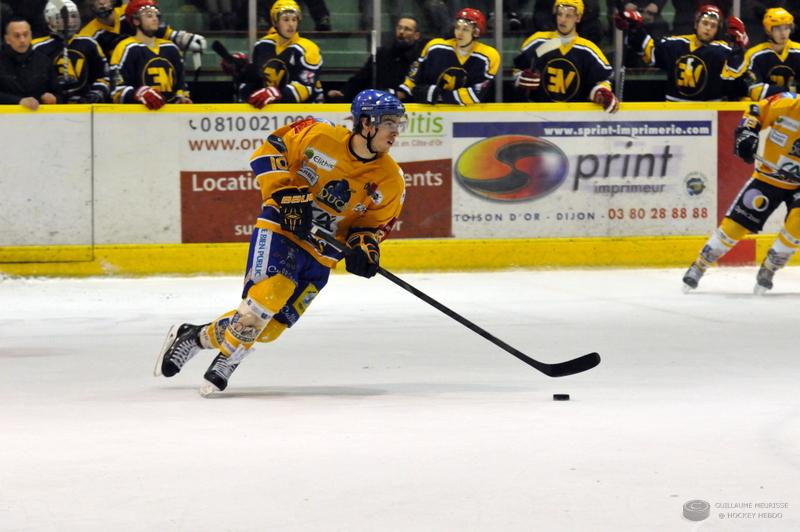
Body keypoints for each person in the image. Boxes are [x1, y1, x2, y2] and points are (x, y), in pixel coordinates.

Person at [155, 89, 407, 395]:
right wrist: (284, 194)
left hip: (321, 254)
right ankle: (229, 359)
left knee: (271, 328)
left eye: (399, 122)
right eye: (389, 122)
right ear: (366, 123)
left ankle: (194, 337)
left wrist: (363, 250)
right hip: (281, 230)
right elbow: (269, 150)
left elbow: (372, 226)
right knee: (272, 292)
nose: (396, 131)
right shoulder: (318, 134)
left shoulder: (391, 179)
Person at [682, 93, 800, 294]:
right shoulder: (786, 104)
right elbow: (755, 112)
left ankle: (772, 264)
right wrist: (747, 133)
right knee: (735, 226)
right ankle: (701, 263)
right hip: (768, 178)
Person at [615, 3, 749, 101]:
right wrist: (635, 28)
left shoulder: (723, 51)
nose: (708, 29)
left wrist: (739, 48)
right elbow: (649, 52)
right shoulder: (675, 44)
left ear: (717, 30)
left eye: (713, 26)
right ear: (696, 24)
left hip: (710, 114)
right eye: (705, 23)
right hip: (675, 112)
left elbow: (734, 78)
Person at [514, 0, 618, 112]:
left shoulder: (588, 50)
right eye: (559, 14)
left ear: (578, 18)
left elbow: (602, 81)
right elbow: (518, 71)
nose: (562, 20)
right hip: (538, 113)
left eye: (568, 16)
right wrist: (521, 79)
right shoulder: (538, 41)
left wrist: (601, 92)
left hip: (575, 117)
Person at [399, 8, 500, 105]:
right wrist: (402, 92)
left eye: (465, 29)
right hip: (431, 112)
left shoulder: (488, 56)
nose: (459, 33)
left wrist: (437, 95)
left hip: (468, 114)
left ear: (476, 32)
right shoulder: (435, 47)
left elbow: (476, 94)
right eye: (457, 28)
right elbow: (414, 79)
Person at [239, 0, 322, 108]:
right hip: (271, 110)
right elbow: (254, 81)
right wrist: (241, 70)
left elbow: (305, 87)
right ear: (275, 22)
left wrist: (276, 93)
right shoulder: (262, 45)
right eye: (286, 20)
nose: (291, 24)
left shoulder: (308, 48)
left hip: (307, 111)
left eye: (294, 19)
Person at [110, 0, 191, 108]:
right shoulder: (126, 48)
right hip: (138, 118)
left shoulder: (171, 48)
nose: (155, 19)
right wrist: (138, 94)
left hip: (171, 115)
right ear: (136, 21)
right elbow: (117, 90)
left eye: (156, 15)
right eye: (149, 15)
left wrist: (182, 97)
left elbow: (180, 84)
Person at [327, 16, 425, 103]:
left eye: (407, 29)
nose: (401, 32)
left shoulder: (420, 58)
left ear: (416, 35)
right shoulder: (382, 53)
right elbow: (362, 76)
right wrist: (343, 92)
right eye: (399, 28)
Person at [32, 0, 110, 104]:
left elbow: (104, 75)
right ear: (49, 20)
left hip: (85, 107)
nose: (69, 21)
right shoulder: (38, 48)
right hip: (50, 108)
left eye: (73, 16)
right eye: (62, 17)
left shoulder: (89, 44)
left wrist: (96, 93)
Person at [78, 0, 206, 61]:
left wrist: (179, 37)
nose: (101, 2)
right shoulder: (87, 35)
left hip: (144, 69)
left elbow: (156, 28)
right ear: (89, 4)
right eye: (96, 0)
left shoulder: (128, 12)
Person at [724, 7, 800, 101]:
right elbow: (757, 93)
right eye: (777, 28)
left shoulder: (798, 52)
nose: (783, 33)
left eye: (786, 28)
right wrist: (791, 90)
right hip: (765, 111)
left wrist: (772, 90)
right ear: (769, 30)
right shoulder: (754, 55)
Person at [0, 16, 59, 109]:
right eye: (17, 36)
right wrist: (18, 101)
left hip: (41, 119)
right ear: (7, 39)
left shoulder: (43, 61)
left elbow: (58, 93)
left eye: (25, 34)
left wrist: (53, 98)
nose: (22, 40)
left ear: (31, 35)